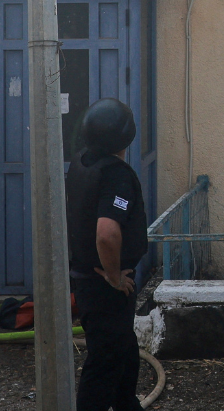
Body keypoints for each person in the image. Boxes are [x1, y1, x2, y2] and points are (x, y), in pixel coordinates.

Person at [66, 98, 148, 411]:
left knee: (124, 355)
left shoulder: (82, 162)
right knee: (104, 365)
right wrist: (114, 276)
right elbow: (106, 232)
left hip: (87, 281)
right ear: (127, 136)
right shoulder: (116, 176)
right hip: (105, 288)